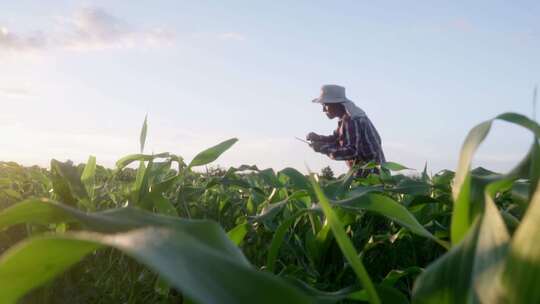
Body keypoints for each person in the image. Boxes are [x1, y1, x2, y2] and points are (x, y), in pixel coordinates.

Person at [307, 84, 386, 177]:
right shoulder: (346, 118)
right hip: (374, 172)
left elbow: (351, 151)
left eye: (326, 105)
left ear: (337, 104)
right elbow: (337, 139)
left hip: (371, 175)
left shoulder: (350, 120)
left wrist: (322, 148)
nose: (323, 110)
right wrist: (318, 138)